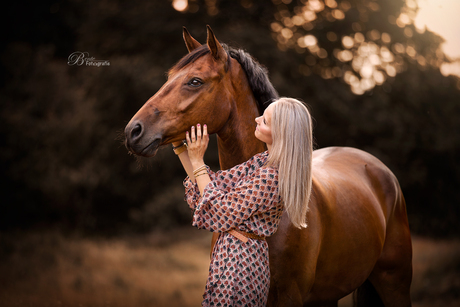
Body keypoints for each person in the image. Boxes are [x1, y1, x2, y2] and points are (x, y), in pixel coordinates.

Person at [171, 97, 313, 306]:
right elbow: (212, 185)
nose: (256, 119)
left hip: (241, 264)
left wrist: (197, 159)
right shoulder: (262, 161)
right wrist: (180, 147)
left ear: (281, 134)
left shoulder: (271, 178)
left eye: (264, 121)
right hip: (230, 256)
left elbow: (220, 209)